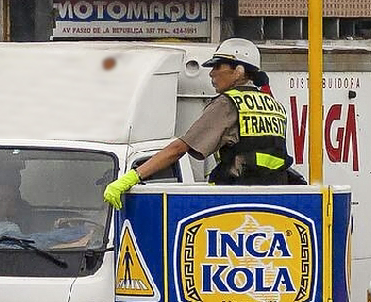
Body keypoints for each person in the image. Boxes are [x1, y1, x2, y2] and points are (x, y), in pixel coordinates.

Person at [103, 38, 297, 208]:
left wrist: (133, 177)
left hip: (236, 198)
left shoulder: (228, 103)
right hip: (275, 199)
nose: (211, 73)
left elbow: (180, 148)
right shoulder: (274, 105)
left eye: (218, 66)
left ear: (239, 71)